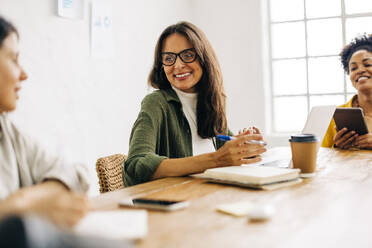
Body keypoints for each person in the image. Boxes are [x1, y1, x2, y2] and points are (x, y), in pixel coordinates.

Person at [123, 21, 267, 186]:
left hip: (209, 199)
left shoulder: (211, 101)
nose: (177, 65)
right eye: (169, 58)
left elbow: (227, 153)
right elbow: (135, 166)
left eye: (188, 55)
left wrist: (243, 146)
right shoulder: (157, 103)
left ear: (204, 58)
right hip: (175, 206)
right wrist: (215, 160)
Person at [0, 16, 89, 228]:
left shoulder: (7, 131)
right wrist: (16, 209)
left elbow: (76, 173)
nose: (24, 74)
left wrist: (28, 201)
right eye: (13, 59)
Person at [322, 34, 372, 149]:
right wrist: (337, 148)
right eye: (353, 68)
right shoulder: (335, 116)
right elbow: (321, 160)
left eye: (367, 64)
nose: (360, 70)